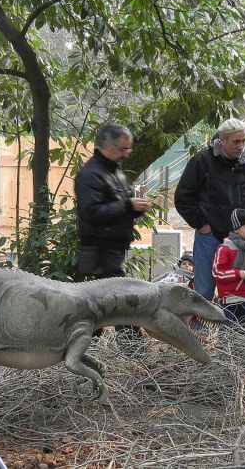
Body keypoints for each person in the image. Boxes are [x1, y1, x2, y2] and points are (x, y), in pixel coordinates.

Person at [174, 118, 245, 301]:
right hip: (210, 236)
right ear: (222, 140)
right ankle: (199, 331)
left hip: (241, 242)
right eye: (235, 142)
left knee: (238, 295)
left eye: (243, 141)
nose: (241, 146)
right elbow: (183, 197)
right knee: (204, 292)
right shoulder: (202, 161)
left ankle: (232, 331)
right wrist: (201, 224)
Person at [75, 122, 151, 340]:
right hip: (98, 250)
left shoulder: (114, 171)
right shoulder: (90, 175)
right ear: (106, 145)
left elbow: (118, 207)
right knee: (118, 301)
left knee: (102, 306)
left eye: (129, 149)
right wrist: (128, 206)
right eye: (122, 149)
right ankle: (134, 350)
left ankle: (85, 349)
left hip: (113, 249)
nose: (126, 154)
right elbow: (92, 213)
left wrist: (135, 209)